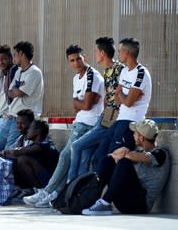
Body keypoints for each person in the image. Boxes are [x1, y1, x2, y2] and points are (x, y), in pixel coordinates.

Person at [24, 45, 105, 208]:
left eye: (78, 59)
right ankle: (55, 194)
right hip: (79, 123)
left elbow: (87, 105)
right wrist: (80, 102)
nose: (75, 63)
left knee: (65, 157)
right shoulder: (77, 78)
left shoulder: (92, 76)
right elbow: (77, 105)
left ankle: (49, 192)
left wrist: (80, 102)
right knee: (70, 160)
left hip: (89, 124)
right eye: (72, 60)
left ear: (85, 57)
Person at [82, 119, 170, 215]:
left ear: (141, 137)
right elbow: (116, 157)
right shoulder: (139, 153)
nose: (133, 135)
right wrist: (117, 154)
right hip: (125, 200)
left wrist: (123, 152)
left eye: (135, 133)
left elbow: (135, 157)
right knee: (107, 160)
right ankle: (92, 200)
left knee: (124, 162)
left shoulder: (161, 154)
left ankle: (104, 203)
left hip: (139, 205)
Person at [67, 37, 124, 182]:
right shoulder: (107, 71)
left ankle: (71, 185)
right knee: (86, 156)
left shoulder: (118, 69)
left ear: (103, 53)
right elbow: (107, 98)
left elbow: (119, 98)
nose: (95, 54)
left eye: (96, 51)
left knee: (76, 146)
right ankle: (77, 190)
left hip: (111, 120)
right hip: (105, 118)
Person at [91, 38, 152, 169]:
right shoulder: (124, 71)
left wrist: (123, 95)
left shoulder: (141, 73)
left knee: (113, 160)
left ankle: (110, 188)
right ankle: (96, 187)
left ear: (126, 52)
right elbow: (117, 98)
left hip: (131, 122)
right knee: (99, 156)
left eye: (119, 51)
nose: (117, 54)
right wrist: (126, 94)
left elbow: (128, 102)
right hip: (119, 120)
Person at [0, 41, 44, 151]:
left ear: (21, 54)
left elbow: (19, 93)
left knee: (8, 152)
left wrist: (16, 91)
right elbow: (10, 92)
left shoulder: (34, 72)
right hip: (9, 118)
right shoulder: (18, 72)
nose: (1, 62)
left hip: (22, 120)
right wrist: (15, 91)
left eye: (14, 55)